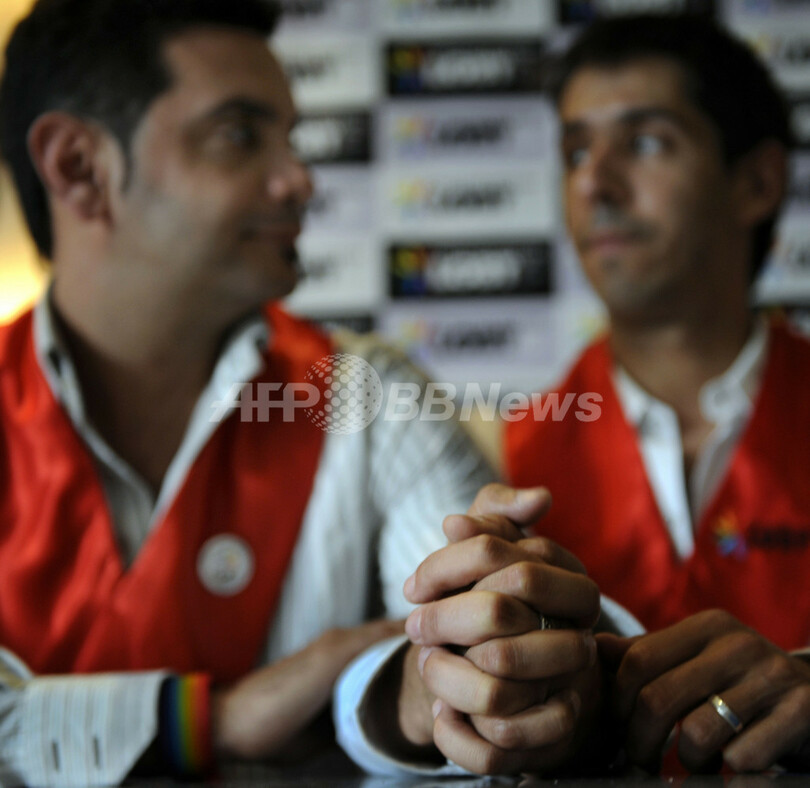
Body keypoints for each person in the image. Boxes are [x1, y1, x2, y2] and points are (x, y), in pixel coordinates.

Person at [0, 0, 603, 784]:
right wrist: (214, 719)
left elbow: (452, 655)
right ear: (79, 167)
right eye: (239, 135)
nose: (299, 180)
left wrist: (461, 669)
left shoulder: (372, 396)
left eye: (290, 138)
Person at [505, 14, 810, 774]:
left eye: (645, 143)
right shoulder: (496, 455)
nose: (595, 185)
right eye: (576, 152)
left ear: (756, 183)